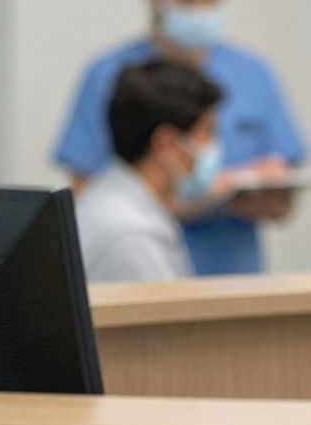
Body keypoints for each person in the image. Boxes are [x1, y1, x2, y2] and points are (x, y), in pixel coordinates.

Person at [54, 0, 307, 275]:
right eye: (188, 0)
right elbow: (88, 196)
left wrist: (231, 192)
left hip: (231, 274)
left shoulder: (253, 74)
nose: (202, 12)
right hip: (139, 262)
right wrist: (201, 195)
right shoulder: (111, 76)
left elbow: (284, 200)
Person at [75, 60, 222, 283]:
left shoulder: (114, 199)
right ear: (167, 144)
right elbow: (166, 306)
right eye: (208, 132)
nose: (213, 147)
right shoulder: (132, 235)